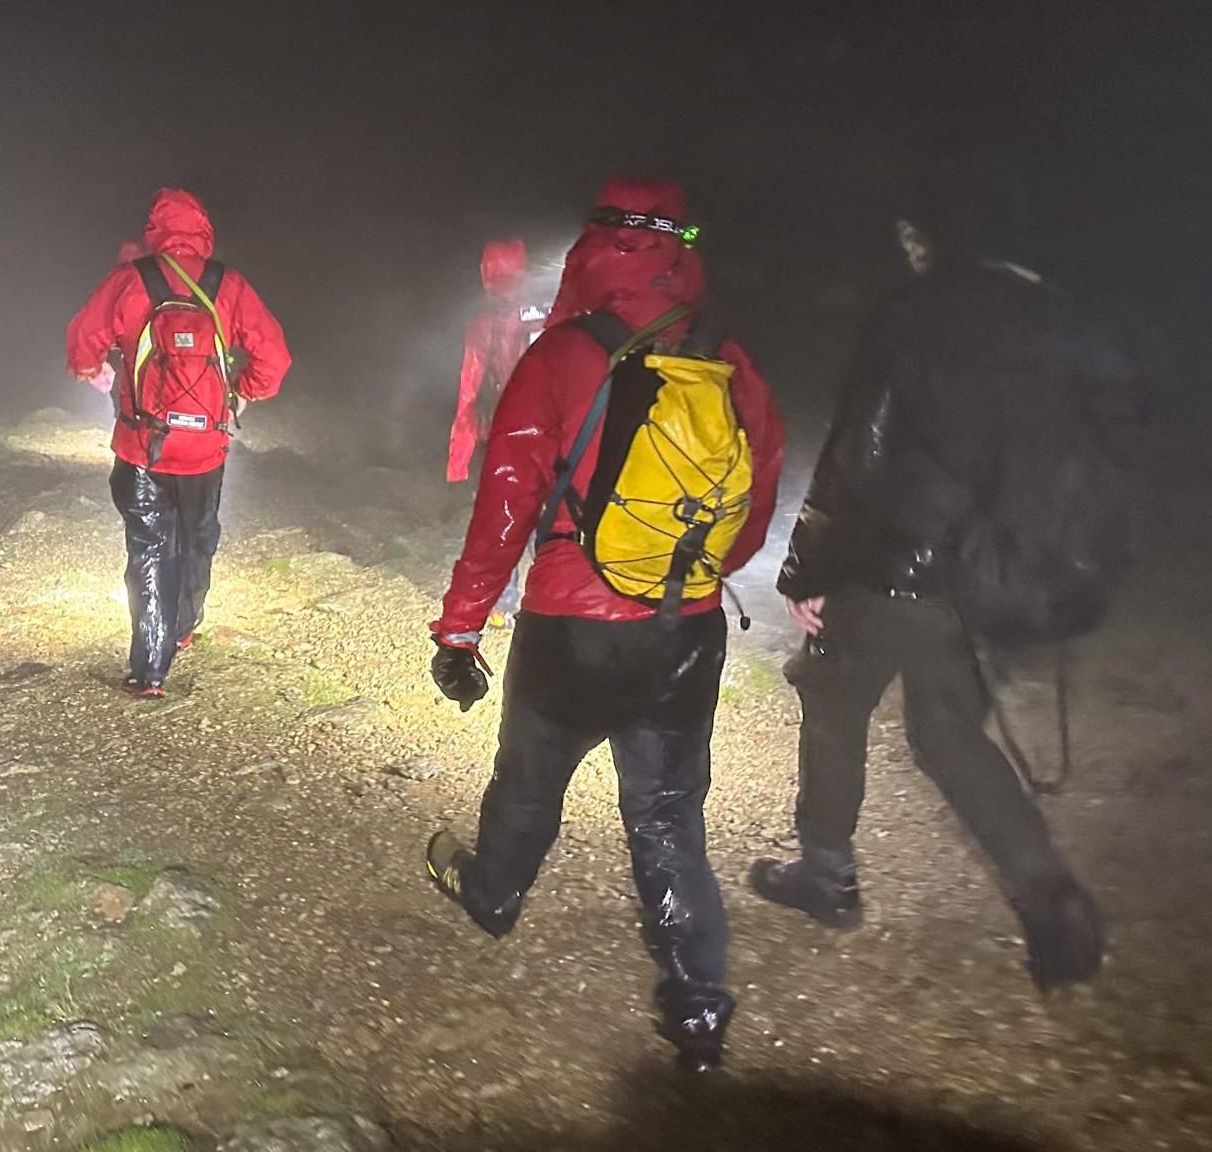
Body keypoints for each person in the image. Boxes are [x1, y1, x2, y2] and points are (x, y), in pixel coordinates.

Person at [423, 179, 786, 1071]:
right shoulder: (727, 356)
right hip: (683, 627)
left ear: (591, 251)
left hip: (570, 626)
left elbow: (503, 506)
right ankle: (697, 1003)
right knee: (667, 815)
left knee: (529, 781)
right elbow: (757, 498)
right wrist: (688, 580)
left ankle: (493, 896)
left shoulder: (560, 355)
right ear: (680, 256)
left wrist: (461, 627)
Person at [750, 170, 1137, 992]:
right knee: (950, 732)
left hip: (900, 567)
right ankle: (1051, 896)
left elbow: (863, 450)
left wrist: (807, 567)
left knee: (831, 696)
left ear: (934, 238)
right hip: (990, 580)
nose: (908, 250)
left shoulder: (915, 318)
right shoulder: (1053, 319)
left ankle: (826, 874)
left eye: (913, 236)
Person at [65, 189, 291, 698]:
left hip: (143, 446)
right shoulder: (227, 284)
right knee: (197, 537)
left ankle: (149, 668)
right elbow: (274, 359)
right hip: (206, 448)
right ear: (204, 231)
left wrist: (89, 368)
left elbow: (84, 337)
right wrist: (243, 396)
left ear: (154, 231)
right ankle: (185, 624)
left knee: (148, 550)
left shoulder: (130, 279)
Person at [447, 237, 547, 626]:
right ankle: (546, 604)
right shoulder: (552, 312)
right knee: (551, 523)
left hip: (504, 439)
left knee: (500, 521)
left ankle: (502, 607)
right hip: (554, 439)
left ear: (487, 273)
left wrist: (458, 462)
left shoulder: (485, 323)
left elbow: (468, 391)